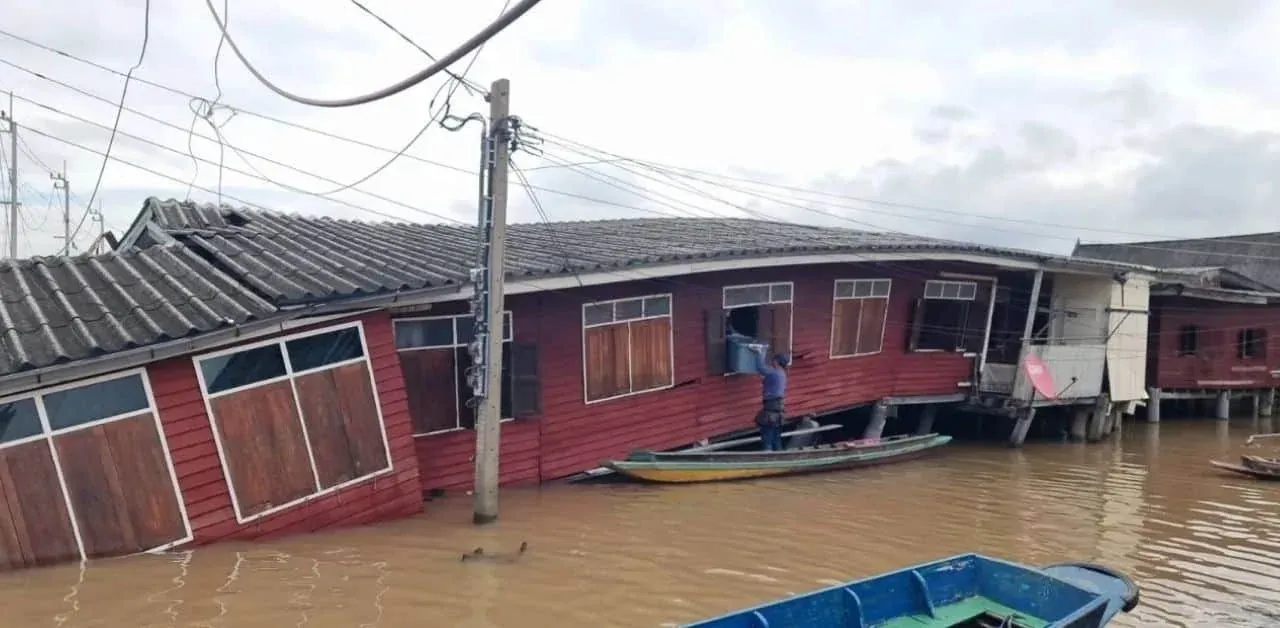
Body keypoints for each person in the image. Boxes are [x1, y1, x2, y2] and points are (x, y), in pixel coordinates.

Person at [751, 345, 791, 451]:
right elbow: (771, 384)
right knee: (776, 438)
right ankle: (780, 456)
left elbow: (760, 367)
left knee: (767, 438)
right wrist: (765, 380)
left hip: (771, 409)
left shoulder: (774, 372)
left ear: (776, 362)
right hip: (778, 409)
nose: (772, 362)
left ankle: (767, 456)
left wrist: (760, 352)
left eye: (773, 360)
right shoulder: (782, 373)